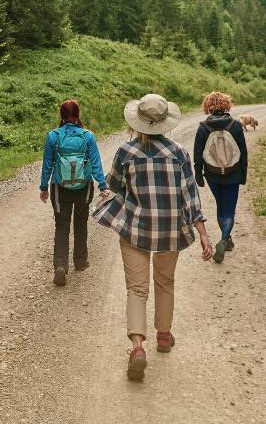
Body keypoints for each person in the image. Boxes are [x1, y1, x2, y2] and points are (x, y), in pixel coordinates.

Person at [93, 93, 213, 381]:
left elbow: (113, 187)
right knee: (165, 282)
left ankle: (137, 347)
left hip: (135, 229)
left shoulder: (126, 152)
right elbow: (190, 196)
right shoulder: (179, 153)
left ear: (137, 123)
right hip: (170, 230)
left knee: (136, 289)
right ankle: (163, 334)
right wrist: (203, 233)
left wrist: (105, 201)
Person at [40, 100, 108, 287]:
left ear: (61, 115)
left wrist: (43, 188)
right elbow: (96, 163)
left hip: (59, 187)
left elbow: (47, 165)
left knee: (61, 226)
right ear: (78, 114)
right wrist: (103, 186)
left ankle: (61, 265)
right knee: (80, 222)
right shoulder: (88, 137)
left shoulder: (53, 136)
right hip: (83, 187)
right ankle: (80, 261)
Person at [193, 91, 248, 264]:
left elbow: (197, 154)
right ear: (227, 105)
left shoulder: (203, 127)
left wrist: (198, 175)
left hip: (212, 174)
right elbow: (243, 153)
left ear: (207, 106)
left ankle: (226, 240)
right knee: (229, 210)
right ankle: (224, 240)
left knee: (220, 206)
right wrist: (243, 175)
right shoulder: (236, 125)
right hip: (233, 173)